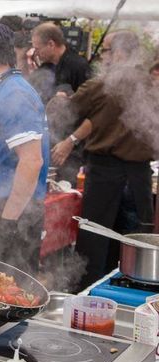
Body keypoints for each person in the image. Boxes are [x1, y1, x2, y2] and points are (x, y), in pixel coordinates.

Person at [53, 30, 155, 290]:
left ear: (119, 53)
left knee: (94, 241)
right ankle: (128, 293)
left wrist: (60, 99)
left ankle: (87, 295)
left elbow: (68, 114)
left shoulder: (102, 85)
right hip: (139, 177)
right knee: (133, 246)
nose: (103, 56)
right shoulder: (150, 85)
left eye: (107, 50)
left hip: (106, 174)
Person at [0, 23, 49, 338]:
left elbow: (32, 161)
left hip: (10, 213)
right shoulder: (2, 89)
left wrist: (7, 222)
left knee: (6, 301)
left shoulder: (14, 93)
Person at [32, 22, 92, 184]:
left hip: (73, 149)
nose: (36, 53)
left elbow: (94, 114)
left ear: (51, 44)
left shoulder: (78, 66)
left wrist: (71, 142)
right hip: (53, 141)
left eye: (38, 48)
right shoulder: (48, 67)